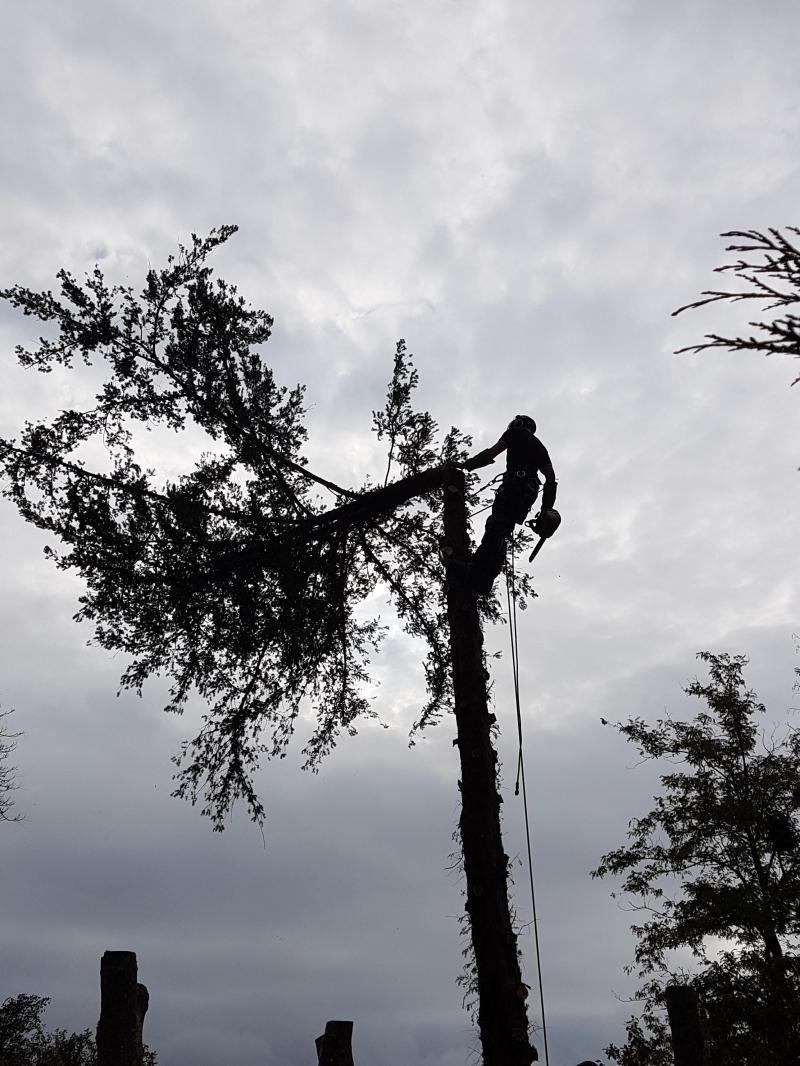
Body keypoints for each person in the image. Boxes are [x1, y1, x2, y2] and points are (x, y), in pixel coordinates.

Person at [459, 414, 557, 595]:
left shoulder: (514, 433)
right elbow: (550, 477)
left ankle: (477, 570)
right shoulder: (540, 446)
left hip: (513, 485)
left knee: (496, 525)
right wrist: (546, 509)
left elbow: (492, 452)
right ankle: (486, 578)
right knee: (503, 530)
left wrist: (467, 466)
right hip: (529, 492)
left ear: (519, 423)